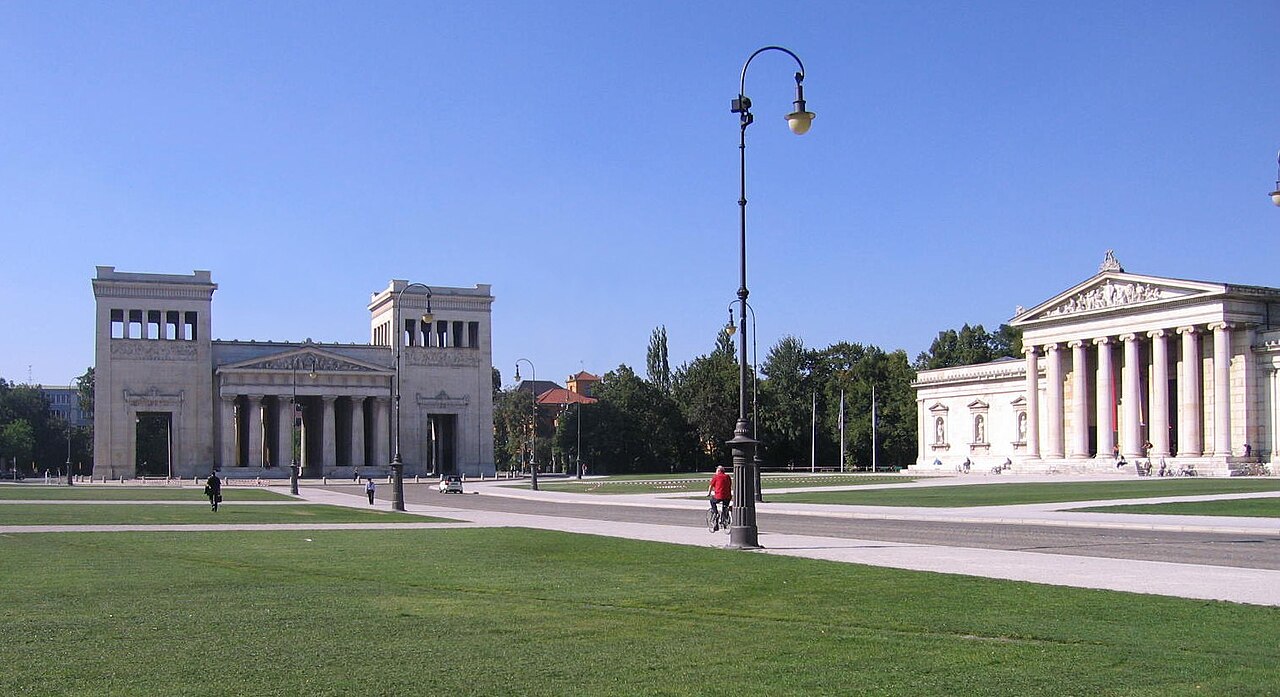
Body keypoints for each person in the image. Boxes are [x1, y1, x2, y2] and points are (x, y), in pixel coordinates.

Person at [707, 465, 731, 531]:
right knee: (725, 506)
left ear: (718, 471)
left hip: (718, 496)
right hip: (727, 496)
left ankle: (716, 512)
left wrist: (709, 493)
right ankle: (725, 519)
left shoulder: (716, 477)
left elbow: (711, 486)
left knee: (712, 501)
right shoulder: (727, 477)